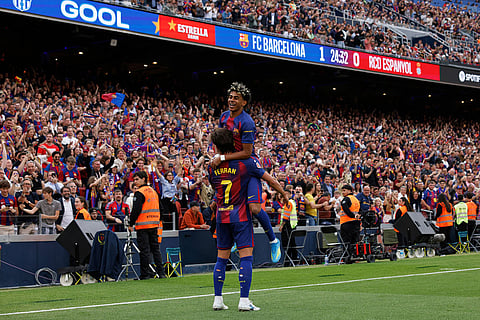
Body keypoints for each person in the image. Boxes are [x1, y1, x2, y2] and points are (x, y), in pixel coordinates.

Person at [209, 128, 288, 311]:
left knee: (221, 259)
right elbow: (272, 181)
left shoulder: (211, 165)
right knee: (246, 258)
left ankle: (218, 300)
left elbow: (216, 188)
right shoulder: (246, 163)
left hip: (222, 215)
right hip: (240, 215)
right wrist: (283, 193)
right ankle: (244, 300)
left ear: (216, 146)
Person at [212, 82, 281, 263]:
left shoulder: (247, 122)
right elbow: (221, 141)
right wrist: (217, 156)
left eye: (236, 98)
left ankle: (273, 240)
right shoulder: (224, 117)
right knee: (231, 206)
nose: (231, 100)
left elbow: (247, 152)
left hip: (245, 166)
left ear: (244, 102)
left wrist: (223, 159)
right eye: (230, 97)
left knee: (254, 208)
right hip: (230, 167)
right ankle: (239, 240)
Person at [128, 171, 166, 280]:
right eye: (134, 180)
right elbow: (161, 209)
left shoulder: (139, 192)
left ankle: (145, 274)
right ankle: (161, 273)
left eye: (137, 179)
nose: (135, 182)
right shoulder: (153, 191)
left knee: (144, 251)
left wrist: (131, 223)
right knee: (156, 250)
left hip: (143, 226)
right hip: (154, 225)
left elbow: (136, 210)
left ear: (143, 179)